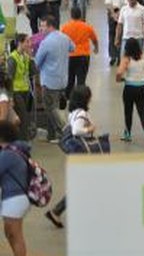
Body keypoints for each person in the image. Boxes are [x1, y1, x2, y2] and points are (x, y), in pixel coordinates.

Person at [45, 85, 95, 229]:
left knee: (82, 185)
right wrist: (90, 129)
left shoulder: (73, 112)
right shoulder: (82, 114)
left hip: (76, 154)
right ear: (85, 99)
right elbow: (77, 130)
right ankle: (57, 211)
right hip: (82, 154)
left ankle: (58, 211)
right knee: (84, 186)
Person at [34, 15, 74, 143]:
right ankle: (52, 135)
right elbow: (73, 48)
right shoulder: (65, 37)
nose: (41, 28)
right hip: (63, 79)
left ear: (50, 26)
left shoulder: (46, 42)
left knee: (50, 108)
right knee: (55, 106)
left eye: (43, 26)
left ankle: (63, 131)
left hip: (50, 81)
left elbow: (37, 62)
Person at [115, 37, 144, 146]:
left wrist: (119, 79)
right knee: (142, 111)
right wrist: (143, 76)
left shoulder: (126, 59)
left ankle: (127, 134)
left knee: (128, 111)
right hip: (142, 88)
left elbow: (119, 73)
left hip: (129, 88)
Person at [0, 120, 30, 255]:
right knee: (10, 233)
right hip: (17, 198)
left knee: (15, 236)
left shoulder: (8, 154)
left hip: (14, 199)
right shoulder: (16, 149)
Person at [60, 7, 99, 101]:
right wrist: (96, 48)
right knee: (81, 80)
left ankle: (67, 98)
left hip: (70, 56)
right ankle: (80, 99)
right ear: (80, 15)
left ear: (71, 15)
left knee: (70, 80)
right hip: (83, 56)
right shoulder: (87, 26)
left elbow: (61, 41)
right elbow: (94, 39)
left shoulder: (65, 27)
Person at [6, 36, 34, 141]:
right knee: (23, 117)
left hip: (25, 91)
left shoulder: (26, 57)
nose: (29, 44)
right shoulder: (12, 58)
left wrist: (31, 57)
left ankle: (19, 140)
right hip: (16, 91)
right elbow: (9, 79)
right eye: (27, 42)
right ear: (20, 43)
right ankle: (23, 141)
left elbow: (34, 71)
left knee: (23, 117)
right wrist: (10, 97)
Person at [103, 0, 131, 65]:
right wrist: (119, 13)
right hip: (123, 13)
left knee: (111, 34)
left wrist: (113, 13)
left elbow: (108, 2)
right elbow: (126, 1)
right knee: (122, 34)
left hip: (111, 13)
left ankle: (112, 56)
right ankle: (120, 56)